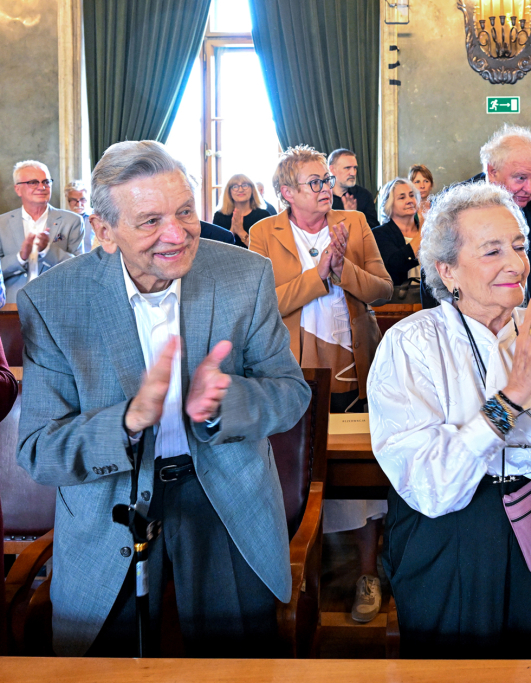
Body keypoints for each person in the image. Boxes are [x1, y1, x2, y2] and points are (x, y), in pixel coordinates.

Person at [17, 140, 311, 657]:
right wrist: (128, 420)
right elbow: (40, 450)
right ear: (104, 232)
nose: (177, 235)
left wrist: (227, 401)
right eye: (150, 221)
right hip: (110, 505)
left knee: (237, 662)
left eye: (184, 212)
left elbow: (289, 393)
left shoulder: (244, 275)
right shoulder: (52, 301)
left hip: (227, 500)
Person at [368, 181, 531, 658]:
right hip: (449, 534)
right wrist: (509, 399)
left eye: (520, 245)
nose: (516, 263)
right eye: (492, 251)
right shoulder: (412, 344)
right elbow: (430, 483)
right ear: (448, 272)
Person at [249, 145, 392, 623]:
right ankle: (290, 574)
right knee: (294, 474)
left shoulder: (354, 225)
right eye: (315, 182)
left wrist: (343, 268)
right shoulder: (261, 233)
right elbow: (262, 304)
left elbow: (383, 289)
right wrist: (317, 276)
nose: (327, 189)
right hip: (290, 372)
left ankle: (367, 574)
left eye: (327, 181)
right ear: (286, 192)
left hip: (352, 364)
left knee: (361, 472)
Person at [421, 125, 531, 309]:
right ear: (492, 171)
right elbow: (434, 278)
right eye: (520, 178)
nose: (529, 188)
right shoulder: (456, 206)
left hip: (528, 322)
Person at [1, 160, 84, 302]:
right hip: (13, 306)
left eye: (46, 181)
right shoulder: (2, 223)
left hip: (58, 304)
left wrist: (47, 251)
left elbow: (79, 269)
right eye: (33, 182)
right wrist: (20, 257)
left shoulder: (72, 221)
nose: (42, 187)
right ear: (18, 189)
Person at [373, 177, 422, 304]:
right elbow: (396, 264)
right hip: (397, 304)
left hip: (430, 302)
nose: (409, 201)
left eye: (412, 195)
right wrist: (424, 229)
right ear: (389, 204)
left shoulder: (432, 233)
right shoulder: (379, 234)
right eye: (402, 197)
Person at [212, 173, 272, 247]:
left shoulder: (263, 216)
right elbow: (217, 250)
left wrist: (240, 231)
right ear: (229, 192)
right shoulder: (219, 216)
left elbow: (264, 250)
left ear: (252, 190)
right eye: (235, 186)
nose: (240, 190)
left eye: (245, 185)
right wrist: (232, 232)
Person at [328, 149, 379, 228]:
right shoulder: (322, 195)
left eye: (355, 168)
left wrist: (354, 216)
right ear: (332, 170)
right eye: (347, 168)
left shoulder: (364, 195)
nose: (353, 173)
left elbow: (374, 230)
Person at [64, 180, 94, 250]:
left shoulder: (100, 218)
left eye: (83, 199)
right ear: (67, 199)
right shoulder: (62, 220)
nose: (78, 204)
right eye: (73, 200)